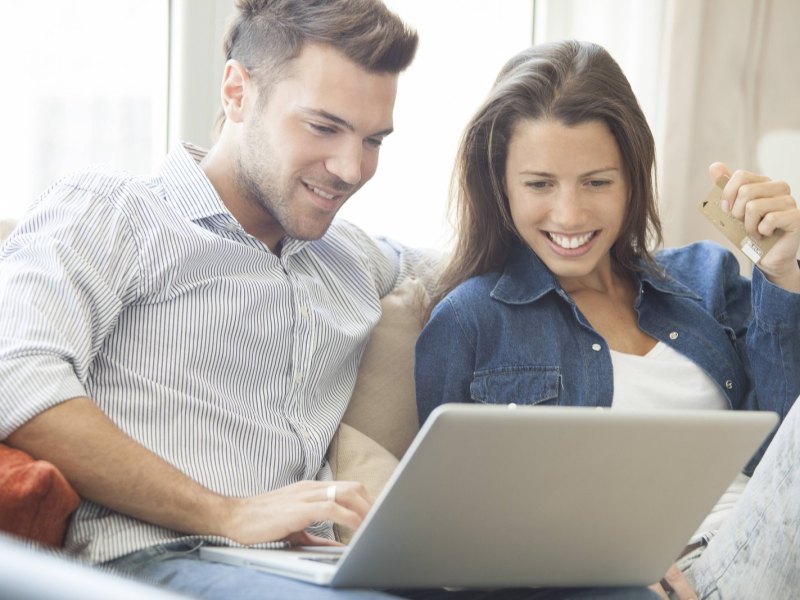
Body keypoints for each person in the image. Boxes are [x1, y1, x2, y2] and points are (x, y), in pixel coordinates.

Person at [0, 2, 658, 599]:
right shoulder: (112, 211)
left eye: (374, 140)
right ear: (237, 92)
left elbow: (502, 259)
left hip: (313, 568)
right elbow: (16, 378)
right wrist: (227, 511)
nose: (351, 168)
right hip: (150, 563)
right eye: (324, 127)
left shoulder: (354, 258)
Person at [414, 40, 800, 599]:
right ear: (500, 184)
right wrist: (604, 569)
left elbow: (779, 456)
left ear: (632, 180)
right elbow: (446, 534)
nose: (569, 215)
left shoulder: (705, 278)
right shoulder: (470, 322)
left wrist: (784, 276)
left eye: (597, 182)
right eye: (539, 184)